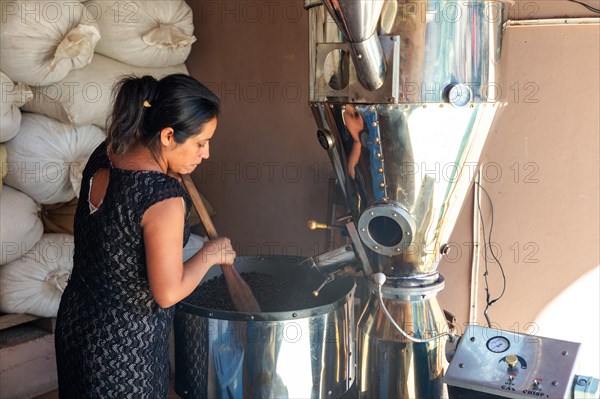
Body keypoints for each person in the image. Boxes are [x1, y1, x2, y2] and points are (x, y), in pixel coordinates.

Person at [54, 74, 236, 398]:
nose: (205, 154)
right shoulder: (161, 197)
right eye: (200, 142)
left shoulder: (108, 151)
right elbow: (167, 293)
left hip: (76, 324)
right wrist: (211, 254)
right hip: (125, 349)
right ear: (168, 135)